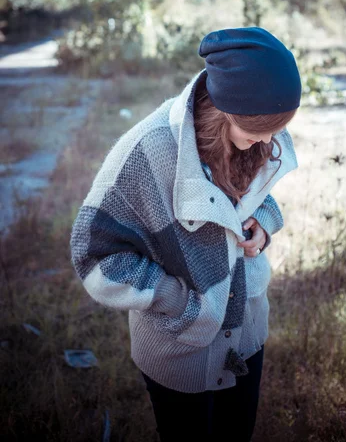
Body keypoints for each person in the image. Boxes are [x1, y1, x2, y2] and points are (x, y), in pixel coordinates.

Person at [69, 26, 302, 442]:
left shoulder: (258, 128)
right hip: (179, 349)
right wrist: (178, 301)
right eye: (260, 131)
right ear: (225, 110)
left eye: (277, 129)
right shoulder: (148, 151)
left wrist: (264, 222)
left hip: (247, 333)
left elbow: (258, 194)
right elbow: (94, 253)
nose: (270, 141)